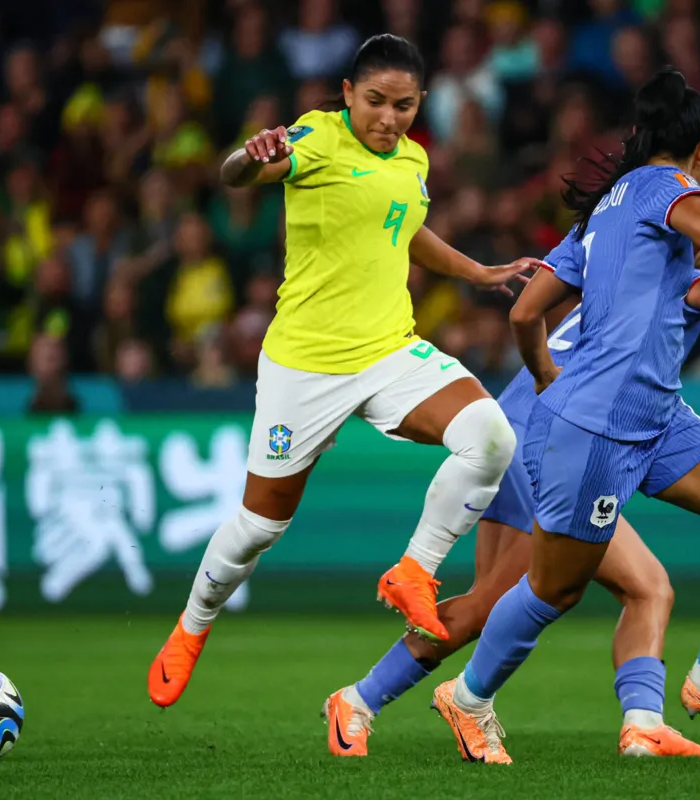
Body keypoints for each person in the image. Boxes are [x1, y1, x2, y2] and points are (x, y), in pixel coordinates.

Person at [429, 68, 700, 764]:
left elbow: (524, 311)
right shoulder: (665, 192)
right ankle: (469, 695)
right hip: (601, 425)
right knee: (551, 588)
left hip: (657, 415)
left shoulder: (617, 213)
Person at [322, 207, 700, 758]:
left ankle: (639, 725)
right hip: (553, 437)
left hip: (531, 424)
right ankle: (367, 699)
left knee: (609, 591)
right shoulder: (678, 276)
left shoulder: (640, 278)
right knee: (576, 594)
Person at [148, 34, 542, 709]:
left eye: (405, 106)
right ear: (347, 95)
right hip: (303, 365)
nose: (390, 119)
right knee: (258, 529)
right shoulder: (315, 138)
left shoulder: (413, 159)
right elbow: (237, 175)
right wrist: (251, 154)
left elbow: (403, 227)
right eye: (376, 103)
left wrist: (477, 270)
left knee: (491, 437)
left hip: (388, 349)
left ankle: (413, 570)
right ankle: (191, 627)